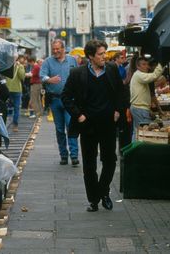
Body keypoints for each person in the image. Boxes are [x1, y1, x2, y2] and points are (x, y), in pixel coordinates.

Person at [62, 40, 123, 212]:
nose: (105, 57)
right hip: (87, 124)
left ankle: (103, 192)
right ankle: (93, 200)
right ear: (90, 56)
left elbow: (120, 92)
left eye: (105, 53)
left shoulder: (111, 69)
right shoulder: (77, 73)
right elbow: (65, 97)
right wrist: (79, 115)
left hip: (108, 124)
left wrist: (118, 109)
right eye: (101, 54)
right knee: (89, 165)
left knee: (110, 160)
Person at [40, 39, 79, 165]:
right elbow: (42, 76)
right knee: (60, 129)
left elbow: (78, 75)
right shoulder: (47, 62)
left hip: (70, 100)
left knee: (71, 126)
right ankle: (63, 155)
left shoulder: (72, 60)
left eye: (58, 49)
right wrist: (49, 79)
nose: (56, 51)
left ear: (63, 49)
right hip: (55, 100)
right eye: (54, 49)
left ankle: (74, 155)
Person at [129, 57, 163, 140]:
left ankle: (134, 151)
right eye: (143, 64)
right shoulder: (139, 75)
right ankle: (138, 151)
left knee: (137, 131)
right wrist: (161, 64)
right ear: (138, 66)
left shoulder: (138, 75)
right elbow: (154, 76)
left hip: (138, 108)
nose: (146, 66)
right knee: (144, 133)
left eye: (147, 64)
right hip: (140, 108)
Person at [5, 55, 26, 132]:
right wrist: (19, 67)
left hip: (10, 89)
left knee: (11, 107)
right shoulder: (19, 66)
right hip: (15, 89)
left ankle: (12, 124)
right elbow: (22, 77)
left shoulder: (7, 65)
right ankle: (14, 125)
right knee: (16, 108)